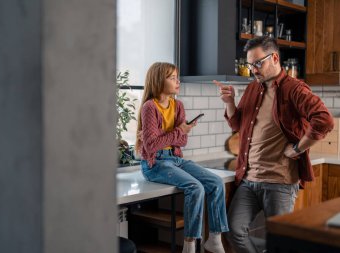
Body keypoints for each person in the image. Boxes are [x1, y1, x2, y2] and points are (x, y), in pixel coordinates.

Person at [215, 36, 334, 253]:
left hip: (279, 182)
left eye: (258, 63)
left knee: (279, 240)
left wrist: (299, 147)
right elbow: (237, 124)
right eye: (250, 65)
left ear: (275, 57)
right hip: (249, 180)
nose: (253, 70)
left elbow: (324, 119)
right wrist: (230, 102)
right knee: (234, 230)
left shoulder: (294, 89)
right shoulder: (253, 88)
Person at [135, 62, 229, 253]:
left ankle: (215, 239)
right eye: (173, 77)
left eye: (178, 77)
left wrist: (171, 134)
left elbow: (182, 141)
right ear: (159, 80)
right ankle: (189, 245)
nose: (178, 81)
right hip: (155, 163)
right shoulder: (149, 107)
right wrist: (178, 131)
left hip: (175, 158)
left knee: (216, 182)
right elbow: (152, 145)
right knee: (195, 187)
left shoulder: (178, 106)